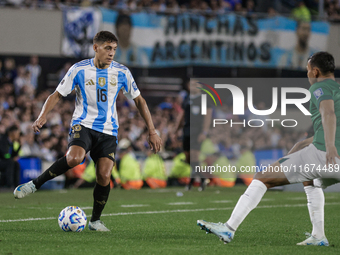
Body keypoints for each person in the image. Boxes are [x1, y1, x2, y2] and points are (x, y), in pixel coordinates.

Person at [14, 31, 162, 232]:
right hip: (83, 124)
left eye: (114, 49)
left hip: (109, 130)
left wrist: (152, 130)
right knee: (75, 158)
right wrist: (42, 116)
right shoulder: (79, 69)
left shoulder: (122, 72)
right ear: (96, 48)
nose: (111, 53)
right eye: (107, 48)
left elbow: (139, 101)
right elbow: (56, 95)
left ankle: (95, 221)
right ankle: (34, 184)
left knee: (104, 175)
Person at [197, 51, 339, 246]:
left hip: (325, 154)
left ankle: (228, 228)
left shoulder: (319, 88)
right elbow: (330, 125)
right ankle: (319, 236)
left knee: (262, 177)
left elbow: (328, 114)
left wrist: (329, 146)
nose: (307, 75)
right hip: (332, 157)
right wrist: (303, 144)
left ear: (315, 71)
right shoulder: (337, 89)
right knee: (311, 181)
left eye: (307, 71)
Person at [175, 79, 213, 191]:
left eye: (196, 84)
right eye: (191, 84)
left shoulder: (204, 99)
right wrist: (176, 129)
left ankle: (193, 182)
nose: (194, 86)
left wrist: (204, 132)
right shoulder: (187, 99)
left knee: (194, 157)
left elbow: (208, 116)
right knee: (188, 159)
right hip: (186, 131)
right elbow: (181, 115)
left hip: (197, 132)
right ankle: (201, 179)